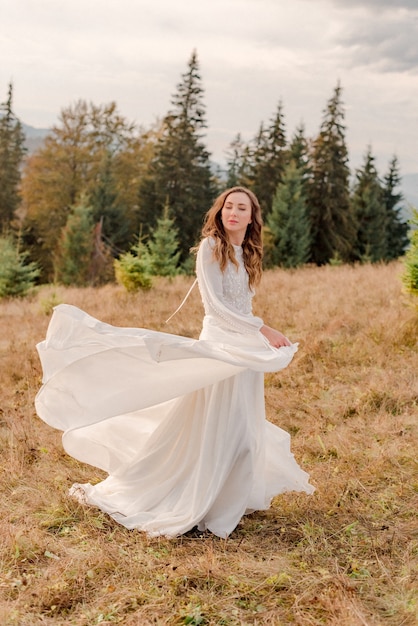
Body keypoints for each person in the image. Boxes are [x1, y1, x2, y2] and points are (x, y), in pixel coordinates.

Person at [35, 186, 314, 539]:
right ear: (220, 211)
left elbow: (242, 306)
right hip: (220, 347)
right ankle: (197, 500)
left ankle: (225, 499)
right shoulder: (212, 248)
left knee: (241, 430)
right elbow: (217, 307)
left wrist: (257, 337)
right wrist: (264, 330)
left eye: (241, 207)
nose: (233, 212)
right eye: (228, 205)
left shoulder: (246, 252)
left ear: (251, 217)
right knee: (214, 426)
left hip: (245, 352)